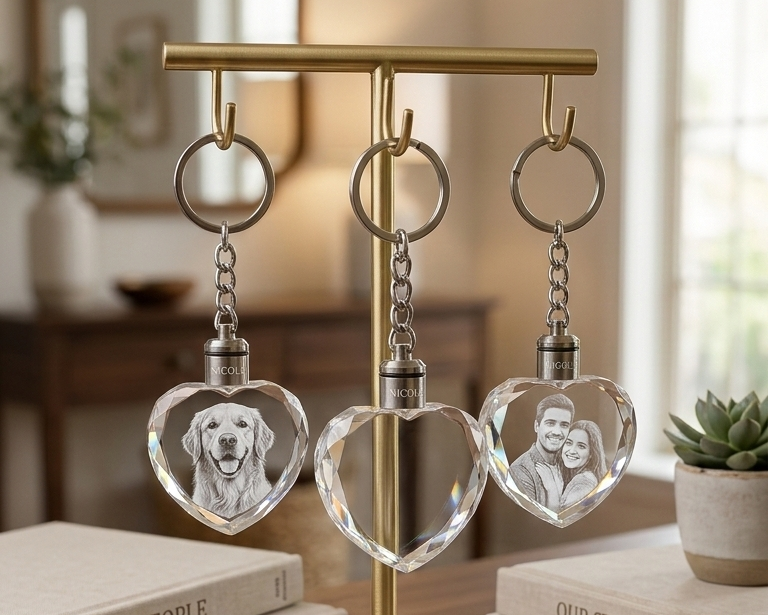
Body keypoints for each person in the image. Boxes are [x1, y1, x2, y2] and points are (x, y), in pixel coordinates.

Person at [509, 393, 574, 507]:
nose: (557, 432)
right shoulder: (521, 470)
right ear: (536, 426)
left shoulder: (569, 464)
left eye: (564, 425)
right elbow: (529, 517)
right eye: (550, 423)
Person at [536, 419, 608, 512]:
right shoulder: (572, 474)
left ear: (591, 453)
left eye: (581, 446)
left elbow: (560, 517)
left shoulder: (584, 483)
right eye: (569, 443)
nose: (572, 451)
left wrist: (552, 488)